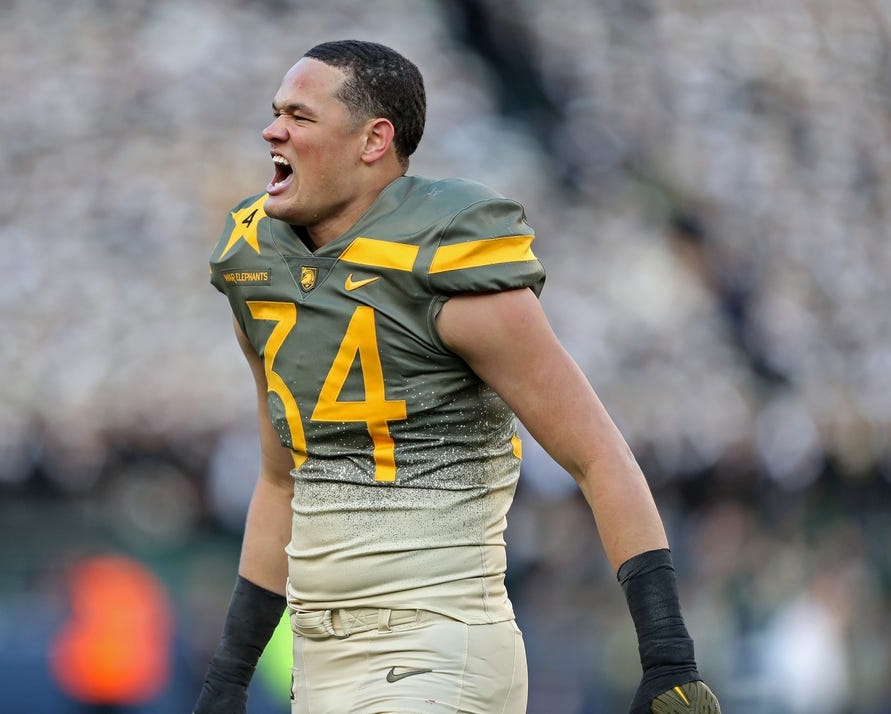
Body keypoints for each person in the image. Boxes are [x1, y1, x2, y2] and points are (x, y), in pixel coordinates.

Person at [196, 39, 720, 714]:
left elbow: (598, 455)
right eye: (276, 112)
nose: (272, 129)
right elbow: (280, 480)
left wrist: (667, 655)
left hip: (438, 648)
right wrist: (229, 675)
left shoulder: (449, 265)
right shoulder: (256, 270)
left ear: (373, 140)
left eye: (299, 115)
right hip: (319, 663)